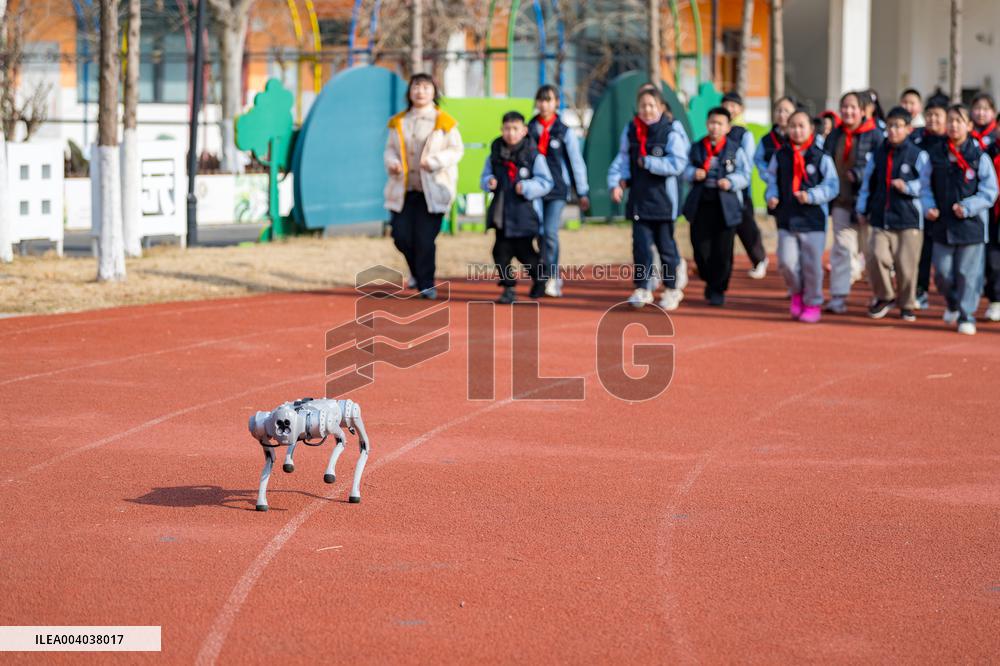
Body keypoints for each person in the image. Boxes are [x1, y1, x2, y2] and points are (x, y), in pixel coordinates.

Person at [383, 73, 464, 300]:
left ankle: (426, 282)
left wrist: (435, 162)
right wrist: (393, 163)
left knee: (425, 239)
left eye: (426, 87)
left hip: (432, 190)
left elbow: (456, 150)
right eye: (416, 87)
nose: (420, 91)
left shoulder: (443, 121)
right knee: (401, 236)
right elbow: (389, 149)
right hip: (403, 190)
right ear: (409, 91)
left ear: (434, 92)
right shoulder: (398, 121)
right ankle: (417, 273)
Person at [608, 86, 689, 310]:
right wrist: (616, 181)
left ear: (661, 108)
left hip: (664, 201)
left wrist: (650, 163)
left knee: (666, 247)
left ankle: (672, 289)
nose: (647, 110)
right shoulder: (632, 130)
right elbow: (623, 158)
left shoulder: (671, 131)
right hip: (639, 199)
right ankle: (643, 288)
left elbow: (679, 162)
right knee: (641, 246)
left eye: (651, 105)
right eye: (643, 105)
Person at [920, 104, 999, 335]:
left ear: (969, 126)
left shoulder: (978, 157)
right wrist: (929, 207)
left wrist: (968, 207)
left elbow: (990, 191)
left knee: (967, 274)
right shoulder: (935, 156)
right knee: (943, 273)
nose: (954, 125)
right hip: (942, 224)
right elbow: (925, 187)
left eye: (960, 121)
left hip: (970, 226)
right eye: (951, 121)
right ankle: (953, 302)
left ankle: (966, 315)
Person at [856, 107, 931, 321]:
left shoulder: (918, 155)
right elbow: (868, 183)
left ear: (908, 129)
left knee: (906, 266)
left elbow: (926, 186)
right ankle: (885, 296)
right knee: (875, 256)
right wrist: (862, 207)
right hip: (881, 217)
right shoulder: (879, 153)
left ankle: (907, 304)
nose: (893, 130)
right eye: (889, 126)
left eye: (898, 126)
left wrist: (907, 187)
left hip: (909, 220)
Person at [765, 110, 840, 323]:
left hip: (813, 219)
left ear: (811, 129)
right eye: (793, 126)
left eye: (801, 126)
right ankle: (796, 292)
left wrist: (812, 196)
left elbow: (832, 185)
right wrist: (772, 196)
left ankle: (813, 301)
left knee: (812, 264)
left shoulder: (820, 156)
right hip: (787, 217)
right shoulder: (780, 155)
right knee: (786, 262)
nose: (797, 131)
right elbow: (772, 179)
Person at [481, 111, 554, 304]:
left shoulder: (533, 154)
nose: (510, 133)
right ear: (501, 130)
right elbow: (484, 175)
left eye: (515, 129)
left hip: (524, 213)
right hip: (502, 212)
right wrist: (489, 181)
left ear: (524, 131)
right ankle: (508, 288)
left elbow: (546, 182)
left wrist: (528, 187)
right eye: (507, 128)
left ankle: (540, 277)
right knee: (500, 252)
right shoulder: (496, 153)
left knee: (525, 254)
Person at [682, 106, 751, 306]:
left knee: (723, 250)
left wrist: (730, 182)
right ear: (707, 124)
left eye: (720, 124)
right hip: (702, 203)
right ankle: (707, 277)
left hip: (726, 206)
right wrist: (692, 174)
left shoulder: (734, 149)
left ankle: (717, 289)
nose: (715, 127)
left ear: (728, 127)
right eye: (712, 122)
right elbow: (684, 169)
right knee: (701, 249)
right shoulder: (697, 147)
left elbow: (745, 175)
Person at [528, 84, 590, 298]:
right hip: (534, 189)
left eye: (549, 100)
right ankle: (542, 272)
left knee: (550, 232)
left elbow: (575, 161)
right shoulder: (528, 128)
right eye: (541, 100)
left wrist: (582, 191)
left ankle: (552, 276)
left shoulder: (564, 131)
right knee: (538, 233)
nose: (544, 104)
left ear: (556, 103)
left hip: (557, 190)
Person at [823, 91, 883, 314]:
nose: (848, 111)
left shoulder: (875, 136)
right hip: (841, 202)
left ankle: (880, 295)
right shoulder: (834, 136)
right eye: (844, 107)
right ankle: (838, 296)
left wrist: (858, 174)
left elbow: (880, 168)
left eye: (853, 107)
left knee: (872, 253)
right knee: (842, 249)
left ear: (863, 110)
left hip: (868, 204)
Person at [720, 91, 768, 279]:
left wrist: (735, 180)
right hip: (720, 189)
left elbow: (747, 163)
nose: (730, 109)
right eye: (726, 105)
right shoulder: (719, 127)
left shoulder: (743, 133)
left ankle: (759, 259)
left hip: (739, 190)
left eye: (734, 105)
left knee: (746, 226)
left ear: (741, 109)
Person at [912, 92, 950, 309]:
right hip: (922, 205)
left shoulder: (951, 141)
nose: (932, 120)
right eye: (929, 115)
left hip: (946, 206)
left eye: (937, 115)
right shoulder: (916, 138)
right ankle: (920, 290)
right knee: (922, 251)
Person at [970, 93, 1000, 321]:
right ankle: (993, 298)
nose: (981, 113)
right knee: (991, 256)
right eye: (977, 108)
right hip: (988, 209)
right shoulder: (987, 150)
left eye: (985, 109)